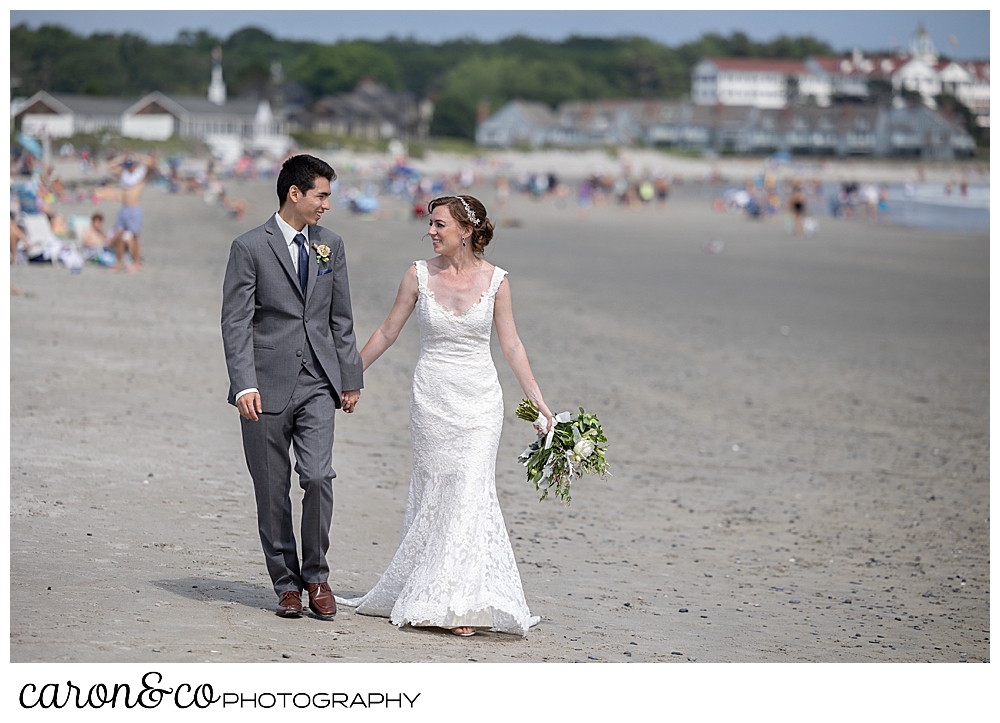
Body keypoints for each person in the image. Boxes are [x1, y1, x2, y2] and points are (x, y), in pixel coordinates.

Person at [336, 194, 553, 638]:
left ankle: (462, 602)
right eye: (430, 225)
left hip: (479, 403)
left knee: (471, 489)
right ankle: (433, 588)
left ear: (466, 230)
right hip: (432, 398)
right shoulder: (417, 274)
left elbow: (511, 346)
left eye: (439, 225)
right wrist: (349, 378)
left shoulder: (497, 282)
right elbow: (387, 331)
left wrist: (538, 404)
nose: (431, 232)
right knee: (437, 489)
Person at [221, 154, 364, 619]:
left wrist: (349, 377)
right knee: (272, 487)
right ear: (294, 194)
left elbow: (341, 317)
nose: (327, 204)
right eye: (321, 195)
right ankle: (285, 584)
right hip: (264, 386)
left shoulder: (331, 245)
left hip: (319, 382)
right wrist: (243, 385)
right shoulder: (249, 247)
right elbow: (236, 321)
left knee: (319, 477)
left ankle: (316, 576)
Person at [107, 151, 154, 272]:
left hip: (134, 209)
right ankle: (118, 262)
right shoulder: (124, 175)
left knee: (135, 238)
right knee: (119, 235)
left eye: (132, 164)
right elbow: (110, 166)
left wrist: (139, 157)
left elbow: (151, 163)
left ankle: (137, 263)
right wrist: (122, 158)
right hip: (124, 209)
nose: (130, 167)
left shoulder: (140, 177)